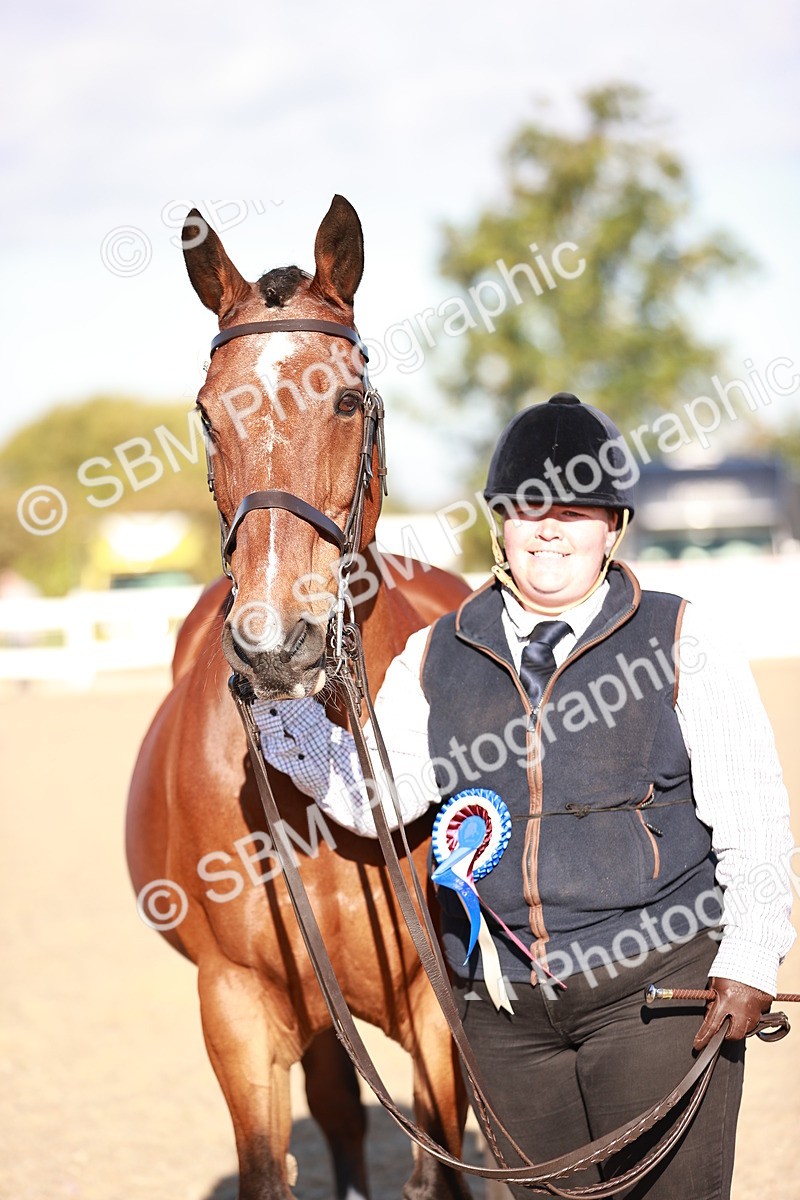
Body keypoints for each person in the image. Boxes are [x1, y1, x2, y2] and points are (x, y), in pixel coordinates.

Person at [256, 393, 795, 1197]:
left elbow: (752, 814)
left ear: (612, 528)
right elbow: (377, 797)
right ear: (501, 523)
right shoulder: (435, 652)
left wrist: (750, 955)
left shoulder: (684, 637)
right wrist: (279, 705)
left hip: (657, 995)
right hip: (504, 1016)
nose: (550, 528)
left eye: (576, 512)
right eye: (529, 508)